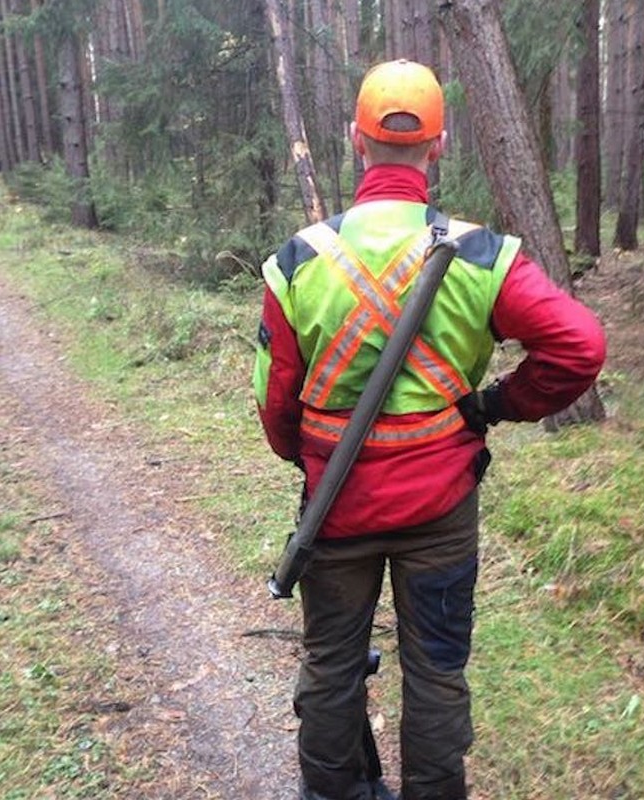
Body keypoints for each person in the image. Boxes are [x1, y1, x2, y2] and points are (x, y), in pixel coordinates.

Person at [253, 59, 606, 800]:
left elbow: (275, 400)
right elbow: (579, 346)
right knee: (437, 670)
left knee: (330, 663)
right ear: (438, 145)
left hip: (336, 506)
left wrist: (310, 457)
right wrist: (497, 405)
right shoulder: (482, 255)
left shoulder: (298, 260)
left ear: (356, 140)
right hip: (441, 508)